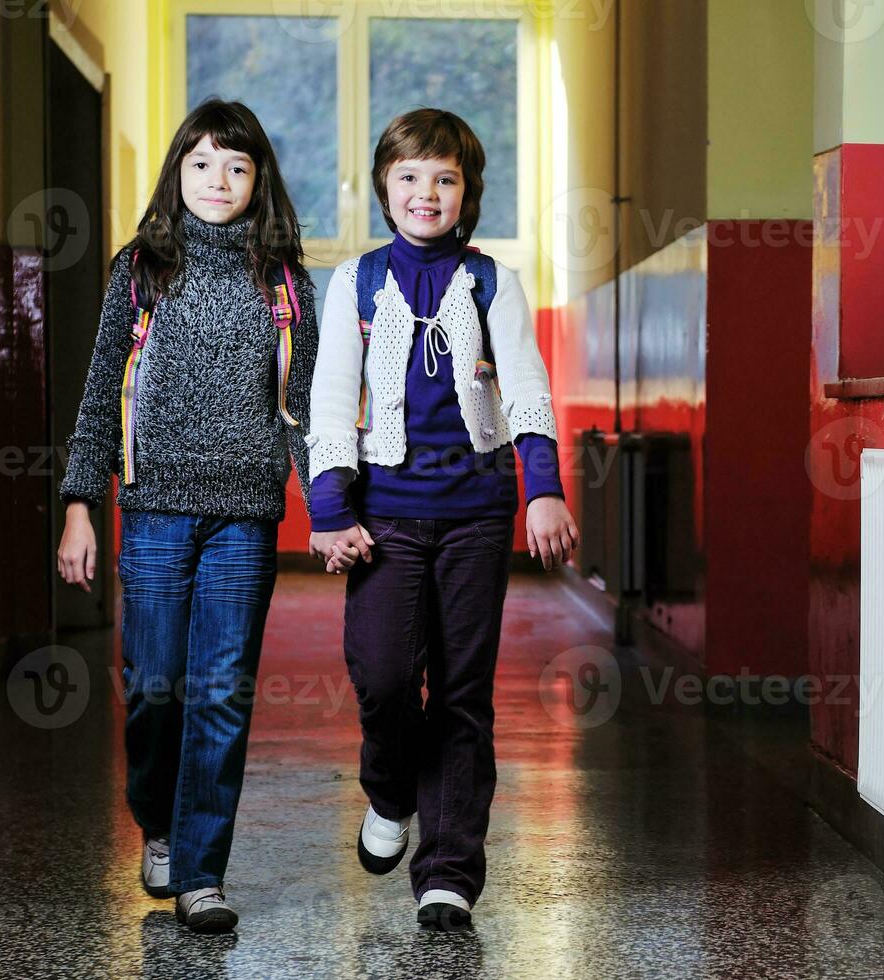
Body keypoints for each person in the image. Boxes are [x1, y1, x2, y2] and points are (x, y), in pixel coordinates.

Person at [306, 108, 578, 932]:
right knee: (385, 677)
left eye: (446, 178)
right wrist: (328, 504)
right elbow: (328, 397)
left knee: (461, 692)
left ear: (468, 192)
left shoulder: (492, 280)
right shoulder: (355, 281)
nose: (427, 193)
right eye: (410, 177)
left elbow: (525, 385)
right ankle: (390, 793)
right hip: (385, 513)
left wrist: (544, 487)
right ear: (385, 189)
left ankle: (449, 869)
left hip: (475, 513)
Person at [56, 99, 317, 934]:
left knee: (222, 693)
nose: (219, 180)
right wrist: (78, 506)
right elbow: (101, 394)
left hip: (246, 515)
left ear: (259, 183)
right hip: (156, 511)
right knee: (156, 686)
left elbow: (304, 409)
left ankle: (203, 873)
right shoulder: (142, 269)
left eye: (238, 167)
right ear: (177, 173)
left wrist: (336, 508)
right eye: (202, 163)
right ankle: (159, 821)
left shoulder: (284, 283)